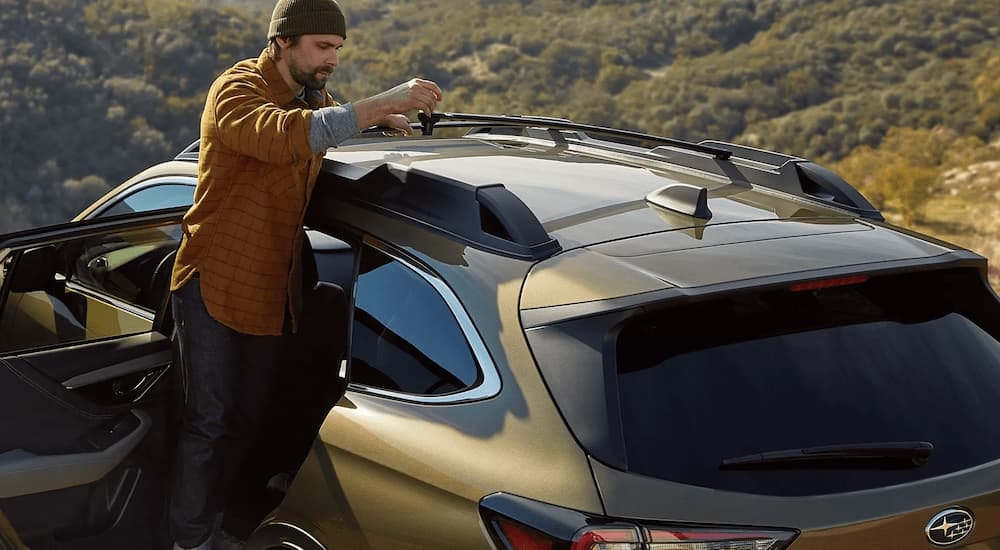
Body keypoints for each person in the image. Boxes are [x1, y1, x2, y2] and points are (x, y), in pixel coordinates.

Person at [166, 0, 443, 548]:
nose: (331, 59)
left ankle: (225, 524)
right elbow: (287, 136)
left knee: (249, 421)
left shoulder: (310, 95)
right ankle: (189, 539)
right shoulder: (236, 90)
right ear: (283, 42)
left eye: (337, 49)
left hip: (273, 288)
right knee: (211, 423)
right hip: (215, 281)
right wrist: (382, 101)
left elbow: (323, 124)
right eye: (322, 47)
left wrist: (377, 123)